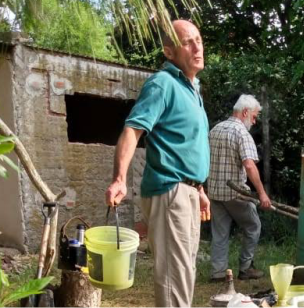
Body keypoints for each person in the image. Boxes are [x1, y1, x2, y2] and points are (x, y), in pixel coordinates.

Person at [105, 20, 210, 308]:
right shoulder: (162, 84)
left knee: (184, 273)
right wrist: (119, 179)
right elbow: (132, 130)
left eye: (198, 39)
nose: (197, 46)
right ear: (169, 51)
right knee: (174, 279)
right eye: (187, 42)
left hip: (186, 192)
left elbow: (185, 145)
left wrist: (198, 189)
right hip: (169, 192)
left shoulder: (191, 88)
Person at [207, 94, 272, 281]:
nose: (254, 120)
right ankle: (246, 267)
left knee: (220, 233)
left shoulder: (215, 129)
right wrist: (262, 194)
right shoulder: (241, 133)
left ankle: (218, 273)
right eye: (254, 116)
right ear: (245, 112)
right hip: (235, 193)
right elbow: (250, 165)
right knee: (253, 226)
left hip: (215, 191)